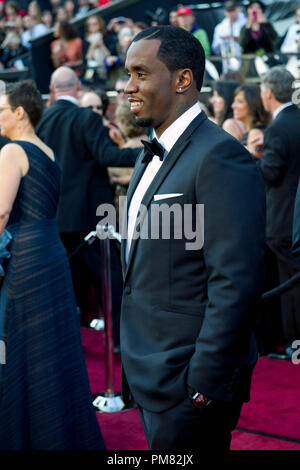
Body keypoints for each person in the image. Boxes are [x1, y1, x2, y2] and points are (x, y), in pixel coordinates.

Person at [121, 25, 266, 450]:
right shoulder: (152, 150)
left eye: (140, 73)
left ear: (183, 79)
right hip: (149, 369)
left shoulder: (220, 155)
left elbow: (236, 280)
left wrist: (203, 382)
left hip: (187, 382)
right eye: (127, 74)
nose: (127, 87)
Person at [0, 79, 105, 449]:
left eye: (1, 109)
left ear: (19, 113)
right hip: (52, 252)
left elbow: (1, 211)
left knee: (15, 342)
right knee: (54, 346)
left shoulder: (12, 151)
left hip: (25, 256)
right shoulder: (47, 150)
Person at [36, 66, 138, 340]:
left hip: (55, 216)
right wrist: (148, 153)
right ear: (78, 88)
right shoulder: (86, 118)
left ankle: (67, 337)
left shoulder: (43, 122)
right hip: (92, 217)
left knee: (65, 280)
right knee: (108, 276)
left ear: (53, 90)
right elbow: (108, 156)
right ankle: (118, 338)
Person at [259, 66, 300, 357]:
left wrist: (250, 159)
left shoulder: (276, 129)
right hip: (294, 218)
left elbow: (271, 174)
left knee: (290, 286)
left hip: (284, 220)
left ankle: (293, 343)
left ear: (269, 93)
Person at [212, 0, 246, 72]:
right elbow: (215, 49)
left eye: (233, 10)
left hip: (245, 60)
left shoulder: (246, 23)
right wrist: (222, 40)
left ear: (238, 9)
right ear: (225, 12)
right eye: (229, 11)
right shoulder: (220, 28)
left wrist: (236, 39)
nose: (231, 13)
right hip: (228, 63)